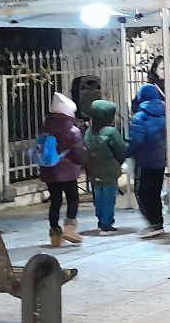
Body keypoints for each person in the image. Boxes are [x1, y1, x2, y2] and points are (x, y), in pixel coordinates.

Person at [39, 93, 88, 247]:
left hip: (49, 170)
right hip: (67, 171)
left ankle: (55, 233)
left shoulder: (46, 126)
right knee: (73, 198)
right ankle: (69, 228)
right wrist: (84, 162)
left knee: (55, 200)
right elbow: (78, 152)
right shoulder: (72, 130)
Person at [127, 83, 167, 238]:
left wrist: (125, 153)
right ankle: (158, 222)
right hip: (160, 159)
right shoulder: (165, 114)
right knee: (155, 192)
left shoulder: (140, 117)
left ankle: (153, 223)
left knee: (143, 192)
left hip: (144, 160)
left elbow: (136, 141)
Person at [83, 100, 126, 235]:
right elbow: (121, 150)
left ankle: (100, 221)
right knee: (108, 197)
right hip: (109, 170)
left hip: (93, 169)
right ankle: (106, 224)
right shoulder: (111, 132)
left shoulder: (89, 132)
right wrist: (118, 162)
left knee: (98, 196)